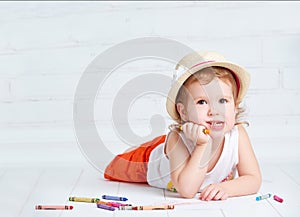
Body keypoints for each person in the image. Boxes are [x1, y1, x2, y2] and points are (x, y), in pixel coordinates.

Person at [104, 51, 262, 201]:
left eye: (222, 101)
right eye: (202, 102)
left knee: (160, 142)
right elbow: (187, 190)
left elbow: (253, 179)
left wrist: (227, 189)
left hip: (170, 146)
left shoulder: (237, 133)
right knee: (114, 168)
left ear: (235, 106)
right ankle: (137, 149)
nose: (214, 111)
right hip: (149, 161)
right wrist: (202, 145)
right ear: (183, 111)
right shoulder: (177, 139)